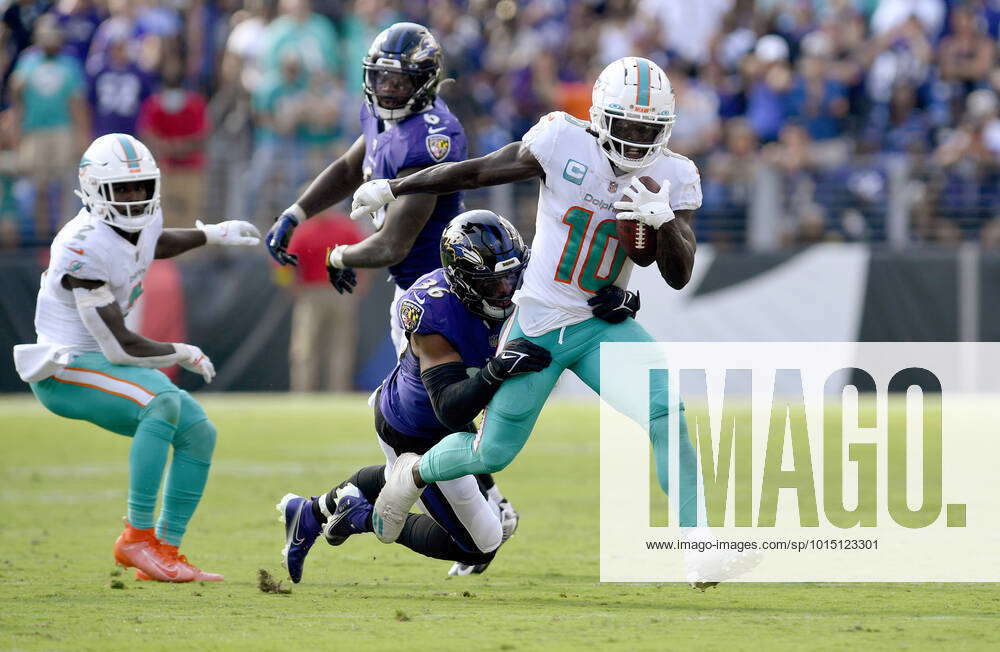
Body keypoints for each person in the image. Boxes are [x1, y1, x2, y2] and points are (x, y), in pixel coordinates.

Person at [351, 57, 757, 588]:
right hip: (538, 324)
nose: (636, 142)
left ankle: (700, 546)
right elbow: (477, 169)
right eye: (627, 126)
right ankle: (413, 472)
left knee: (667, 414)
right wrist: (396, 188)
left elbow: (679, 274)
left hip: (600, 326)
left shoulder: (674, 175)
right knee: (491, 451)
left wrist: (663, 226)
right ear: (600, 117)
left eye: (648, 131)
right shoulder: (563, 142)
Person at [265, 22, 520, 574]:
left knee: (447, 419)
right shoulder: (386, 119)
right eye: (379, 78)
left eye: (398, 81)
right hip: (431, 302)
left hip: (454, 282)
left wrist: (338, 255)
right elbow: (348, 166)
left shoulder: (433, 138)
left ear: (425, 83)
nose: (385, 90)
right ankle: (352, 508)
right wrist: (298, 212)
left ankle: (348, 506)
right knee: (433, 425)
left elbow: (392, 242)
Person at [11, 133, 260, 582]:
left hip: (100, 362)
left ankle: (164, 550)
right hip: (64, 368)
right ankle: (136, 539)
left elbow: (151, 243)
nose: (132, 198)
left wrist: (211, 233)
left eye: (140, 187)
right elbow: (118, 346)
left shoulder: (139, 219)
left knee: (199, 432)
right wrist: (180, 351)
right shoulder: (80, 244)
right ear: (92, 191)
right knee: (159, 403)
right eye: (121, 189)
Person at [277, 210, 553, 582]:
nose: (506, 290)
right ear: (463, 280)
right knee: (479, 544)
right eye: (493, 283)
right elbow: (451, 408)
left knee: (475, 524)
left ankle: (309, 512)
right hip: (415, 429)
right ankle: (357, 517)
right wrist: (497, 369)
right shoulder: (433, 309)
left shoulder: (523, 277)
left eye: (510, 277)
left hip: (447, 427)